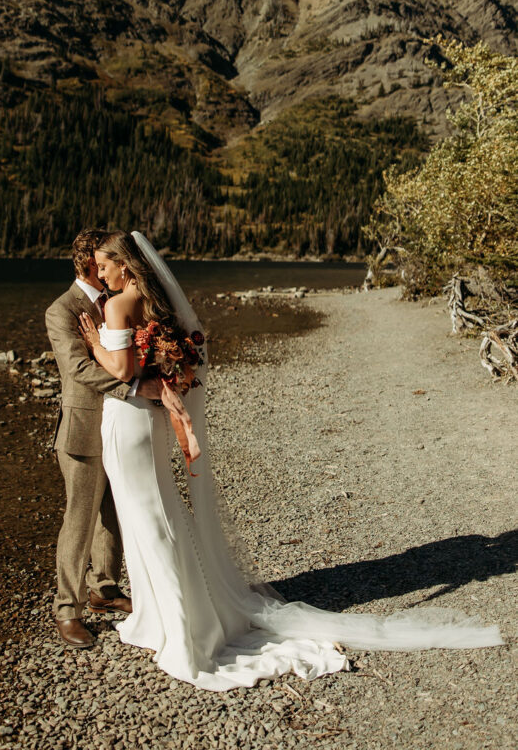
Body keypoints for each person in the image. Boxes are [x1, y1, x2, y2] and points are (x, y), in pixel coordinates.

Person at [78, 229, 503, 690]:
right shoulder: (154, 301)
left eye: (104, 264)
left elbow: (121, 370)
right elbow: (173, 358)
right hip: (149, 421)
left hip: (127, 419)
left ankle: (176, 626)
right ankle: (168, 614)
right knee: (158, 513)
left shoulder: (120, 303)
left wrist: (92, 344)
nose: (99, 272)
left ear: (124, 263)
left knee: (147, 516)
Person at [45, 228, 161, 649]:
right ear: (89, 265)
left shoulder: (119, 301)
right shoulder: (61, 311)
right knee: (79, 519)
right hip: (81, 431)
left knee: (113, 510)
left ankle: (104, 589)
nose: (110, 267)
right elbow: (77, 368)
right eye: (103, 262)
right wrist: (134, 388)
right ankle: (67, 610)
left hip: (120, 425)